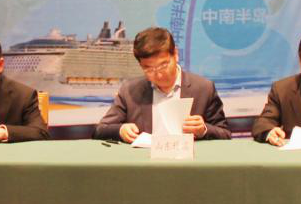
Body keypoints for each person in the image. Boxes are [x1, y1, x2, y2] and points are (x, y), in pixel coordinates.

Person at [94, 26, 231, 142]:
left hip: (188, 162)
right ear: (141, 65)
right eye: (149, 69)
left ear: (175, 54)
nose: (158, 74)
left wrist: (203, 130)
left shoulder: (203, 88)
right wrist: (121, 130)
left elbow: (225, 134)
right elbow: (100, 130)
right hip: (145, 162)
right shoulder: (129, 91)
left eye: (163, 65)